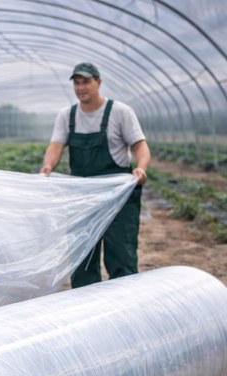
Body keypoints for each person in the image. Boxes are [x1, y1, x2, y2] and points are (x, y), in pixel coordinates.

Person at [40, 62, 151, 288]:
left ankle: (125, 305)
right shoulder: (67, 116)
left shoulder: (119, 112)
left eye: (86, 82)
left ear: (98, 82)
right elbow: (56, 146)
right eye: (77, 83)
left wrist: (141, 167)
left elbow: (140, 145)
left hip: (118, 196)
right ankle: (88, 310)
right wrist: (48, 166)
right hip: (82, 197)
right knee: (83, 257)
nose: (81, 87)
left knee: (121, 255)